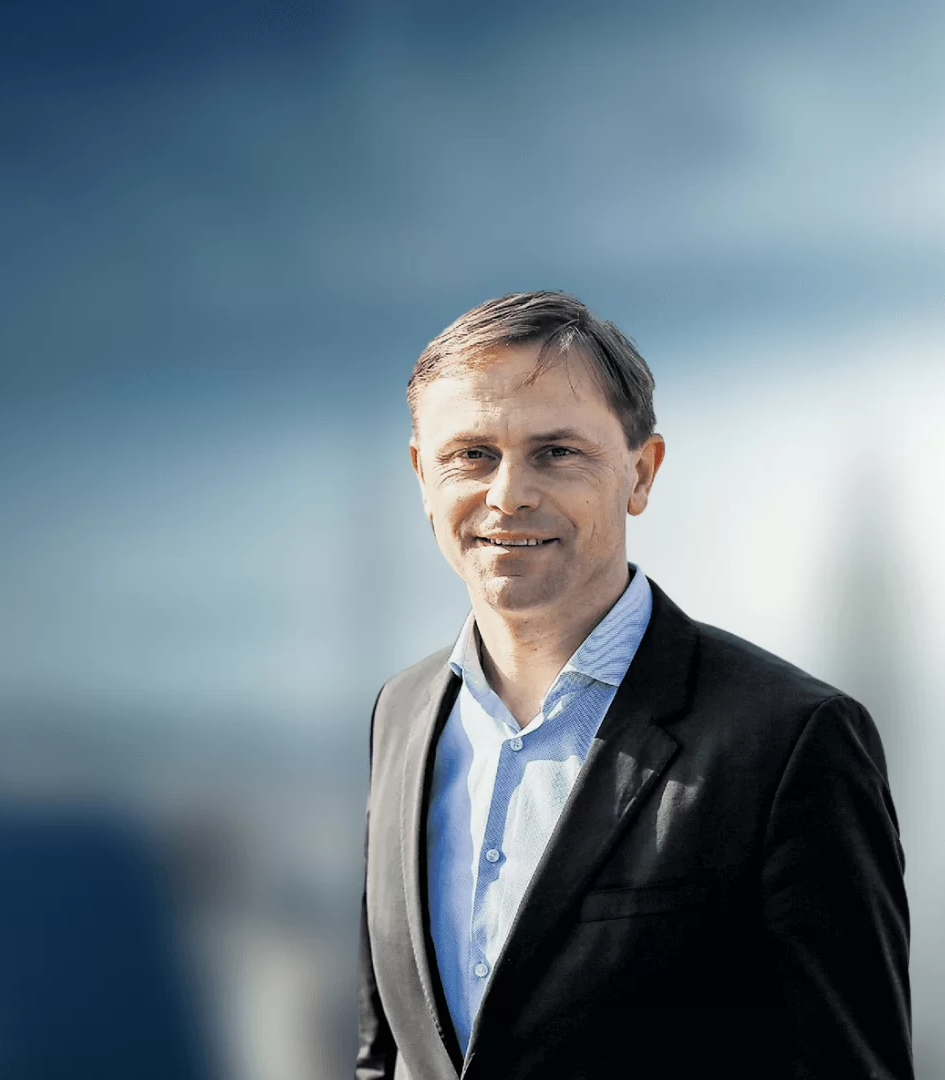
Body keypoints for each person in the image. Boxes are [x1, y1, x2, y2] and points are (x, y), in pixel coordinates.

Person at [357, 291, 911, 1079]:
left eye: (556, 452)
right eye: (471, 454)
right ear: (422, 475)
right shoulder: (402, 715)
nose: (508, 494)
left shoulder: (789, 740)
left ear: (641, 473)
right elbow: (387, 1055)